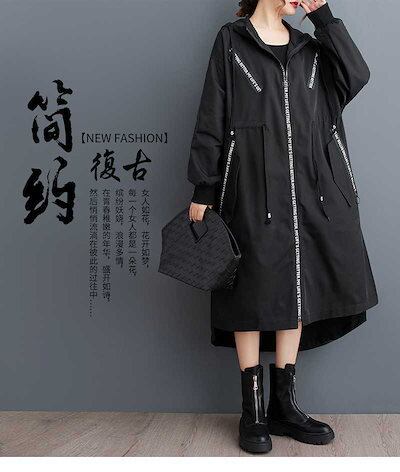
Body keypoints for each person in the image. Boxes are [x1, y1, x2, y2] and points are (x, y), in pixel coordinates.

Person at [186, 0, 378, 454]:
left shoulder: (311, 48)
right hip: (249, 188)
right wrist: (203, 188)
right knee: (249, 292)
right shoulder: (231, 42)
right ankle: (252, 410)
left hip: (311, 192)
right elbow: (212, 115)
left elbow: (356, 75)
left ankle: (283, 405)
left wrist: (322, 14)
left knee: (298, 285)